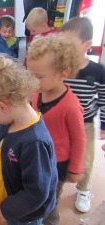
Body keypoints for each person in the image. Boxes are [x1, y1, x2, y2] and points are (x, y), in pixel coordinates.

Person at [0, 52, 58, 225]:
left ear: (2, 107)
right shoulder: (10, 121)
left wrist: (7, 209)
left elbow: (36, 192)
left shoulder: (34, 143)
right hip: (13, 195)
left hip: (27, 214)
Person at [27, 33, 86, 225]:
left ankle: (50, 220)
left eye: (38, 76)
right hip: (38, 155)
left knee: (51, 198)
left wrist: (76, 168)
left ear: (62, 74)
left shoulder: (70, 106)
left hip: (57, 162)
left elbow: (79, 139)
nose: (32, 81)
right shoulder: (38, 93)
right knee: (37, 191)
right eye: (30, 74)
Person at [60, 16, 105, 213]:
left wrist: (104, 124)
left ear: (87, 45)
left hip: (85, 122)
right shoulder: (60, 66)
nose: (64, 47)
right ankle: (56, 185)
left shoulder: (96, 71)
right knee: (59, 154)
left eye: (70, 43)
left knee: (85, 158)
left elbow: (103, 98)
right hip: (61, 122)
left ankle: (84, 189)